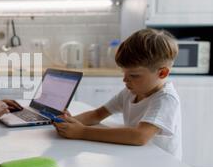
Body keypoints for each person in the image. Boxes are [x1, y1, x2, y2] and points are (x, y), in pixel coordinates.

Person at [53, 29, 182, 159]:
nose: (125, 80)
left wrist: (81, 132)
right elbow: (98, 114)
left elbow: (139, 136)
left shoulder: (166, 99)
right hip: (137, 158)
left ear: (162, 73)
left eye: (134, 75)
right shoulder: (130, 92)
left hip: (160, 166)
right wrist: (70, 122)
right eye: (124, 73)